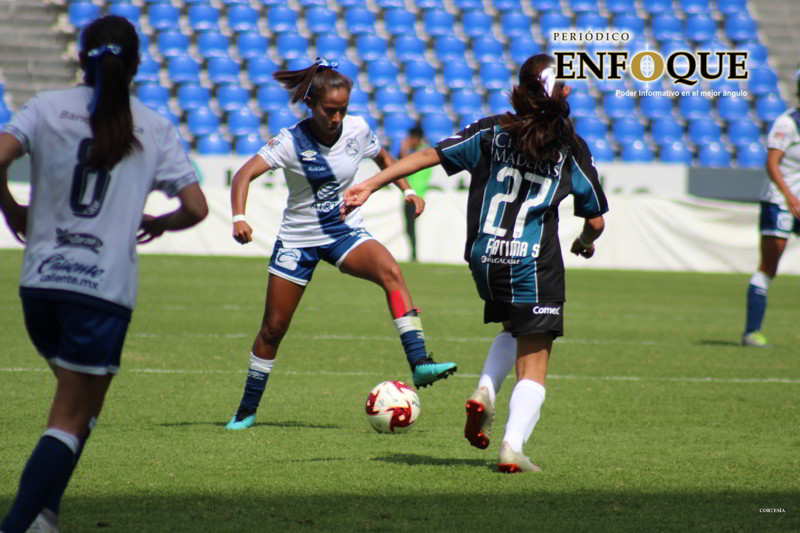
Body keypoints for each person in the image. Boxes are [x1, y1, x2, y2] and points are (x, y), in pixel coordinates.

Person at [342, 54, 608, 473]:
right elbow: (595, 219)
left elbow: (432, 154)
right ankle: (512, 446)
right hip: (533, 263)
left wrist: (371, 184)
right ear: (562, 93)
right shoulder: (570, 148)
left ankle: (485, 390)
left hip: (485, 259)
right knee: (534, 364)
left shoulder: (492, 131)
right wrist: (584, 242)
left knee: (511, 327)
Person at [0, 15, 208, 533]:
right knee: (72, 416)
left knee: (81, 407)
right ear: (135, 64)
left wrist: (11, 210)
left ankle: (46, 515)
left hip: (40, 285)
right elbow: (198, 208)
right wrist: (159, 222)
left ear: (80, 59)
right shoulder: (152, 126)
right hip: (101, 292)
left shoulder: (45, 108)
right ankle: (20, 523)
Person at [224, 59, 457, 430]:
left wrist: (407, 189)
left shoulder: (358, 129)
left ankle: (420, 363)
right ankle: (246, 410)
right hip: (298, 241)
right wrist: (239, 216)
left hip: (343, 233)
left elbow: (381, 155)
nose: (336, 118)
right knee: (273, 329)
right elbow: (243, 175)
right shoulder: (289, 141)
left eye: (342, 110)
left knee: (391, 271)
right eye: (329, 110)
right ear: (311, 104)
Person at [741, 69, 800, 348]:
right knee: (770, 265)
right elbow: (772, 162)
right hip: (780, 201)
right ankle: (751, 332)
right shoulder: (787, 123)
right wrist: (789, 196)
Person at [398, 124, 432, 261]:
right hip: (411, 196)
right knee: (409, 228)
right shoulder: (423, 152)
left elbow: (404, 167)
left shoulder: (423, 153)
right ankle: (413, 254)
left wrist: (404, 151)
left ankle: (414, 255)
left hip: (415, 197)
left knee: (410, 228)